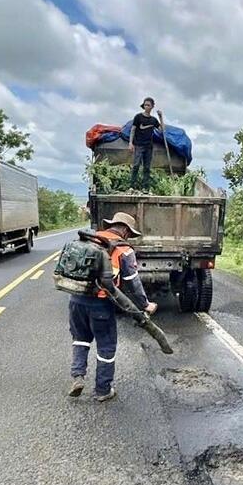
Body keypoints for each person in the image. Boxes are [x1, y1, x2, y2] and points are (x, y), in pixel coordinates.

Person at [67, 212, 157, 402]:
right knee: (106, 347)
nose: (129, 237)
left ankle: (78, 377)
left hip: (76, 299)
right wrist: (145, 305)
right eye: (129, 234)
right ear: (125, 230)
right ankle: (103, 390)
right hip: (101, 303)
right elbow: (133, 282)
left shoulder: (89, 240)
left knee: (80, 339)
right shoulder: (123, 250)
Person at [129, 97, 164, 192]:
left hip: (149, 146)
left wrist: (161, 117)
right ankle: (132, 186)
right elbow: (133, 130)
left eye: (148, 105)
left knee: (147, 167)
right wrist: (130, 143)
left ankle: (145, 187)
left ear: (152, 107)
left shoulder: (153, 120)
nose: (146, 107)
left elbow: (162, 130)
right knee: (136, 165)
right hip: (139, 145)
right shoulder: (138, 117)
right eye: (145, 105)